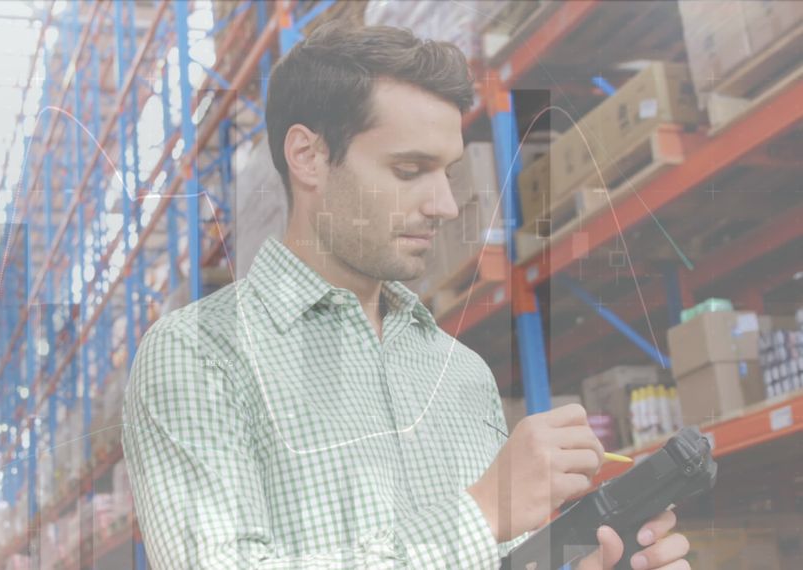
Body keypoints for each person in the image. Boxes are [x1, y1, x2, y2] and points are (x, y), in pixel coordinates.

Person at [122, 22, 692, 569]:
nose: (444, 204)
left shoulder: (460, 372)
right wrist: (484, 510)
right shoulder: (198, 355)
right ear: (309, 157)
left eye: (446, 172)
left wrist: (581, 562)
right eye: (410, 169)